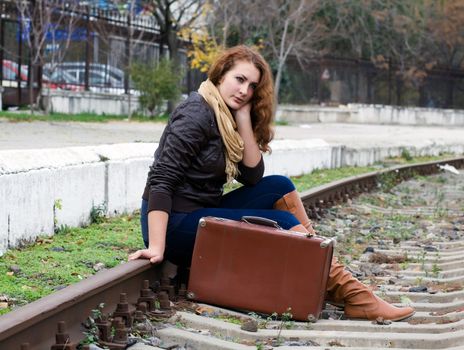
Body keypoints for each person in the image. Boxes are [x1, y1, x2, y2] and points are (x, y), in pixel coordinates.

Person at [128, 45, 415, 321]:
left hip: (201, 210)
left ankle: (329, 275)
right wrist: (156, 246)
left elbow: (252, 175)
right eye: (239, 80)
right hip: (176, 224)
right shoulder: (196, 114)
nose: (244, 91)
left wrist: (242, 118)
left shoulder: (225, 116)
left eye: (252, 86)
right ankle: (353, 295)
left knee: (279, 185)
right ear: (220, 75)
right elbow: (161, 180)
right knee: (281, 221)